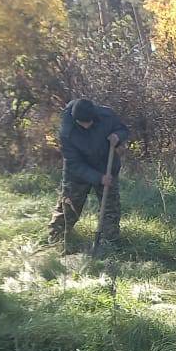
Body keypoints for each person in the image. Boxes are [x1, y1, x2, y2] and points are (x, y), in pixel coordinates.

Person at [47, 97, 131, 247]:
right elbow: (74, 163)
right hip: (78, 172)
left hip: (106, 165)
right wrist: (98, 178)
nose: (87, 126)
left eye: (89, 122)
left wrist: (118, 136)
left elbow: (123, 129)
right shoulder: (67, 132)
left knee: (110, 207)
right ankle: (56, 237)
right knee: (69, 206)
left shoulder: (106, 115)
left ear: (94, 115)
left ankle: (109, 241)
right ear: (75, 119)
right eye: (82, 123)